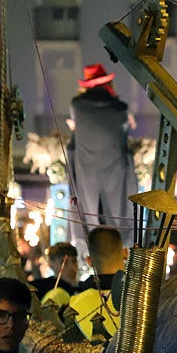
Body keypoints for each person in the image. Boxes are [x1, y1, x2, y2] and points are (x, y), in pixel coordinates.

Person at [67, 64, 137, 252]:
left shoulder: (77, 106)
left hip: (88, 170)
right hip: (115, 169)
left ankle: (91, 247)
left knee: (89, 210)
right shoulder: (120, 108)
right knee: (118, 208)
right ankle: (122, 245)